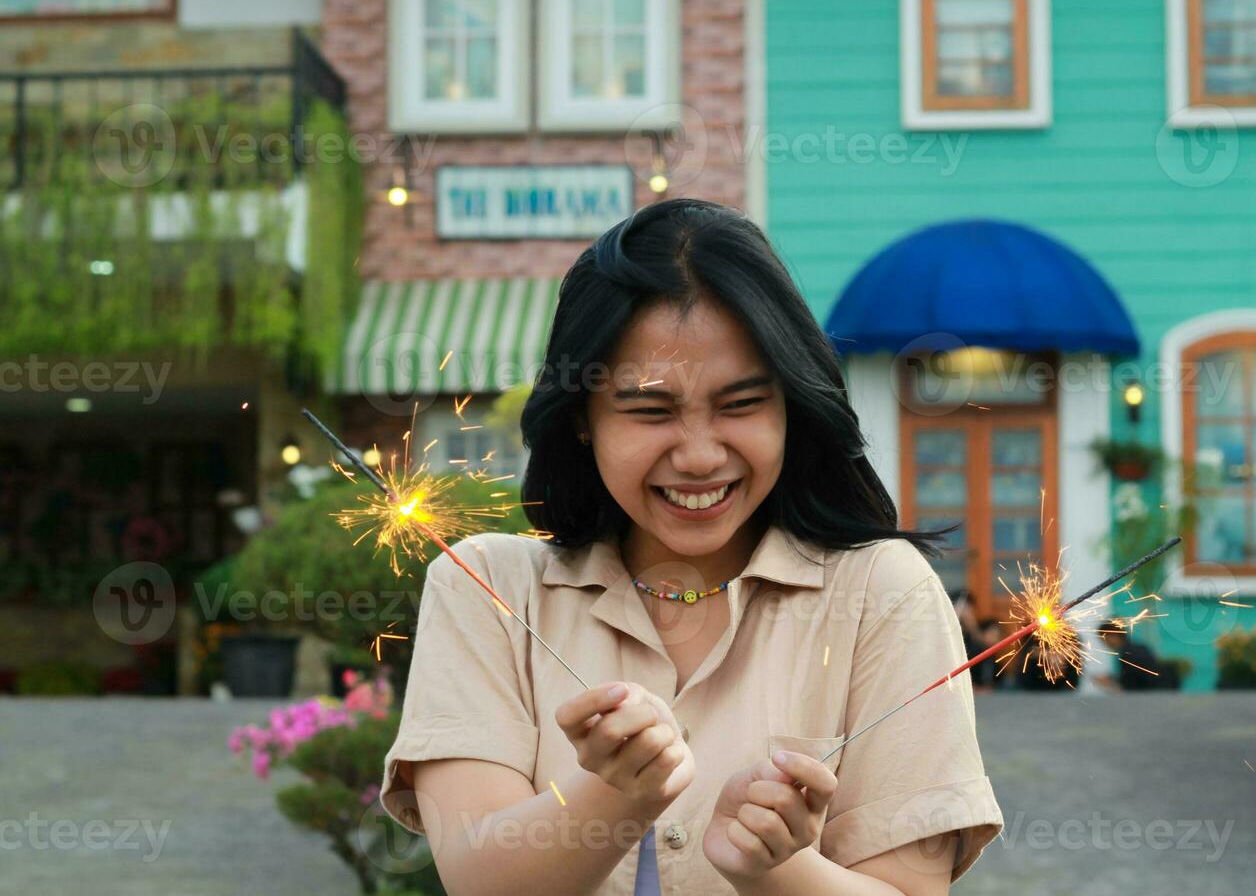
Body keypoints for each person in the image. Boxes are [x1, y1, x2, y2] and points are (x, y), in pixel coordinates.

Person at [379, 199, 1004, 895]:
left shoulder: (884, 593)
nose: (702, 457)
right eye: (650, 410)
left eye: (741, 405)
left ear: (791, 405)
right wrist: (616, 796)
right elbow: (479, 881)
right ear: (583, 419)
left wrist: (777, 868)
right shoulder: (486, 588)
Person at [1093, 624, 1170, 692]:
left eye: (1104, 638)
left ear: (1114, 636)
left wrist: (1109, 683)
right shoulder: (1140, 647)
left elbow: (1129, 688)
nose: (1104, 643)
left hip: (1149, 696)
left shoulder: (1127, 655)